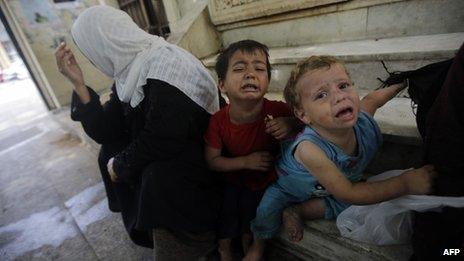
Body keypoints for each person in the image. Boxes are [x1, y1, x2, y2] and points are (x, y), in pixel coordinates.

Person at [55, 6, 222, 260]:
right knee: (109, 150)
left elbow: (164, 137)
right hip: (175, 147)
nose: (91, 59)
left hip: (206, 152)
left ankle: (196, 242)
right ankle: (151, 232)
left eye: (90, 50)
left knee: (155, 174)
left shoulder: (164, 65)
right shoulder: (130, 69)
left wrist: (121, 166)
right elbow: (106, 130)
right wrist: (78, 83)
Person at [244, 55, 436, 261]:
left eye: (343, 86)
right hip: (289, 187)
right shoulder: (309, 149)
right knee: (266, 210)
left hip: (333, 186)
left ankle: (297, 211)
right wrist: (405, 183)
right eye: (321, 95)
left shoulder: (363, 124)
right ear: (303, 116)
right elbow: (349, 192)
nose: (339, 97)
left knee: (356, 203)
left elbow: (372, 100)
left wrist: (403, 82)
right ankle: (257, 246)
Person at [204, 40, 300, 261]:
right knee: (227, 210)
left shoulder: (279, 110)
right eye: (239, 68)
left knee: (253, 214)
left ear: (267, 80)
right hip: (234, 179)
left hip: (267, 182)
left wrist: (290, 124)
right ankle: (225, 249)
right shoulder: (219, 121)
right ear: (222, 85)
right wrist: (245, 162)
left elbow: (308, 124)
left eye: (259, 68)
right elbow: (212, 160)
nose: (250, 74)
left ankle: (250, 247)